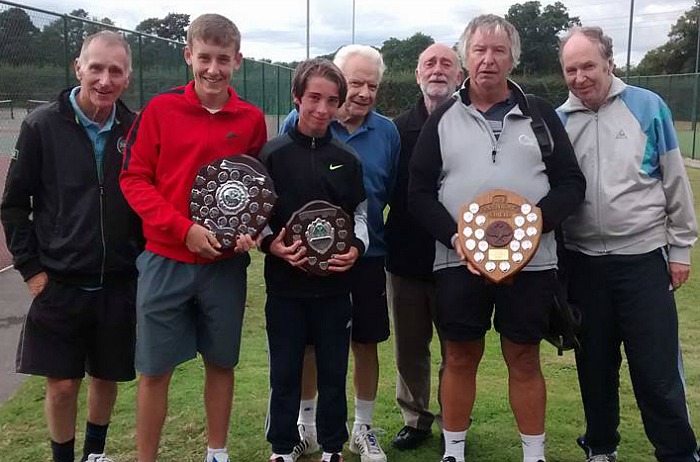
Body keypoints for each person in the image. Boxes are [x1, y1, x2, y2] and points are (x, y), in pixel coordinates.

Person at [409, 15, 586, 462]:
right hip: (458, 262)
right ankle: (453, 451)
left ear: (513, 58)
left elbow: (571, 184)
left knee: (524, 356)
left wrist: (532, 229)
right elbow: (418, 192)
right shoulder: (444, 116)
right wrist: (456, 239)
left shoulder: (542, 114)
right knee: (460, 356)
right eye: (480, 50)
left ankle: (534, 454)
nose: (488, 59)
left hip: (533, 263)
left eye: (499, 51)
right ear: (466, 56)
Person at [119, 13, 267, 462]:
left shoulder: (251, 120)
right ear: (188, 56)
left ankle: (216, 453)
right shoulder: (160, 111)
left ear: (237, 61)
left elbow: (256, 193)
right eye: (205, 57)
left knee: (221, 362)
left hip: (224, 267)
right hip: (164, 260)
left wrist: (249, 232)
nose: (213, 69)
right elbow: (134, 180)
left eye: (223, 59)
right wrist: (182, 229)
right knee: (154, 368)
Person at [557, 26, 700, 462]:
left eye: (588, 66)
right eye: (570, 69)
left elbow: (675, 182)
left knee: (656, 372)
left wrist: (680, 249)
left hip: (642, 260)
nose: (580, 77)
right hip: (583, 264)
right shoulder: (559, 121)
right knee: (595, 366)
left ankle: (677, 452)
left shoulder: (647, 106)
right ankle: (600, 447)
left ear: (609, 64)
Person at [0, 31, 140, 462]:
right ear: (78, 68)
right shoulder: (41, 125)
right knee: (61, 385)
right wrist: (32, 271)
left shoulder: (134, 129)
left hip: (118, 282)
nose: (104, 79)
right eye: (95, 67)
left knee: (105, 377)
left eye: (115, 70)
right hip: (58, 284)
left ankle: (94, 454)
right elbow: (13, 205)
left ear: (127, 77)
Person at [279, 45, 399, 462]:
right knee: (311, 345)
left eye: (372, 85)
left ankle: (363, 430)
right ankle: (306, 429)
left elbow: (385, 197)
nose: (363, 93)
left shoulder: (387, 132)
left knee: (365, 342)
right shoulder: (299, 124)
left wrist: (361, 244)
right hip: (309, 265)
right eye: (356, 83)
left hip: (366, 258)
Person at [260, 57, 369, 462]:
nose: (322, 109)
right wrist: (271, 244)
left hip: (334, 288)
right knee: (285, 369)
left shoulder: (347, 158)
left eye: (332, 101)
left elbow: (360, 216)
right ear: (297, 98)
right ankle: (282, 447)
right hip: (285, 288)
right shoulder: (271, 154)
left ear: (340, 104)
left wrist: (356, 249)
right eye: (314, 98)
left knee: (333, 371)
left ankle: (333, 447)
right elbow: (259, 219)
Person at [385, 43, 463, 451]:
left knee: (457, 348)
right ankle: (416, 419)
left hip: (459, 259)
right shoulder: (396, 131)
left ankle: (455, 421)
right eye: (429, 64)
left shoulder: (471, 124)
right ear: (417, 75)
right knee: (410, 350)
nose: (437, 70)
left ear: (459, 74)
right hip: (406, 260)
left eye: (446, 63)